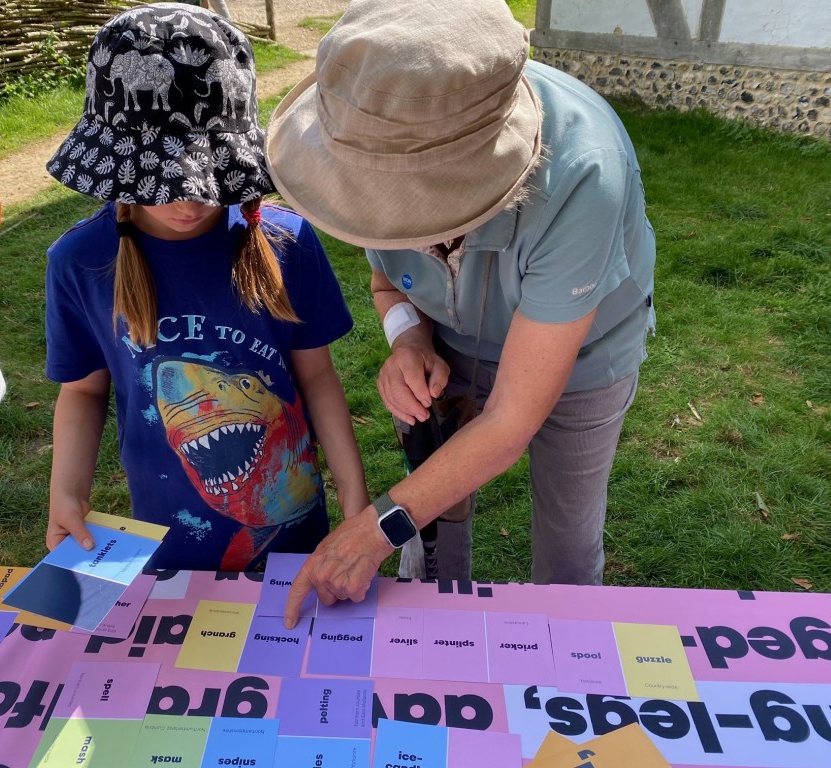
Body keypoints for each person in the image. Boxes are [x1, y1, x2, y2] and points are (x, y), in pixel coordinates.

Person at [265, 0, 657, 624]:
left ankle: (565, 667)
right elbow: (388, 283)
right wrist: (407, 341)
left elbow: (510, 420)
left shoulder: (584, 176)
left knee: (568, 540)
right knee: (431, 528)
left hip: (585, 359)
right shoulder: (375, 136)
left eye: (422, 204)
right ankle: (434, 629)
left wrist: (370, 532)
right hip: (448, 348)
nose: (396, 223)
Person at [44, 4, 368, 571]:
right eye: (164, 182)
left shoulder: (287, 241)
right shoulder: (79, 261)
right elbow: (84, 390)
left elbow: (316, 376)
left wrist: (354, 496)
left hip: (297, 539)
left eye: (210, 175)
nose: (190, 199)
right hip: (167, 544)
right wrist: (66, 494)